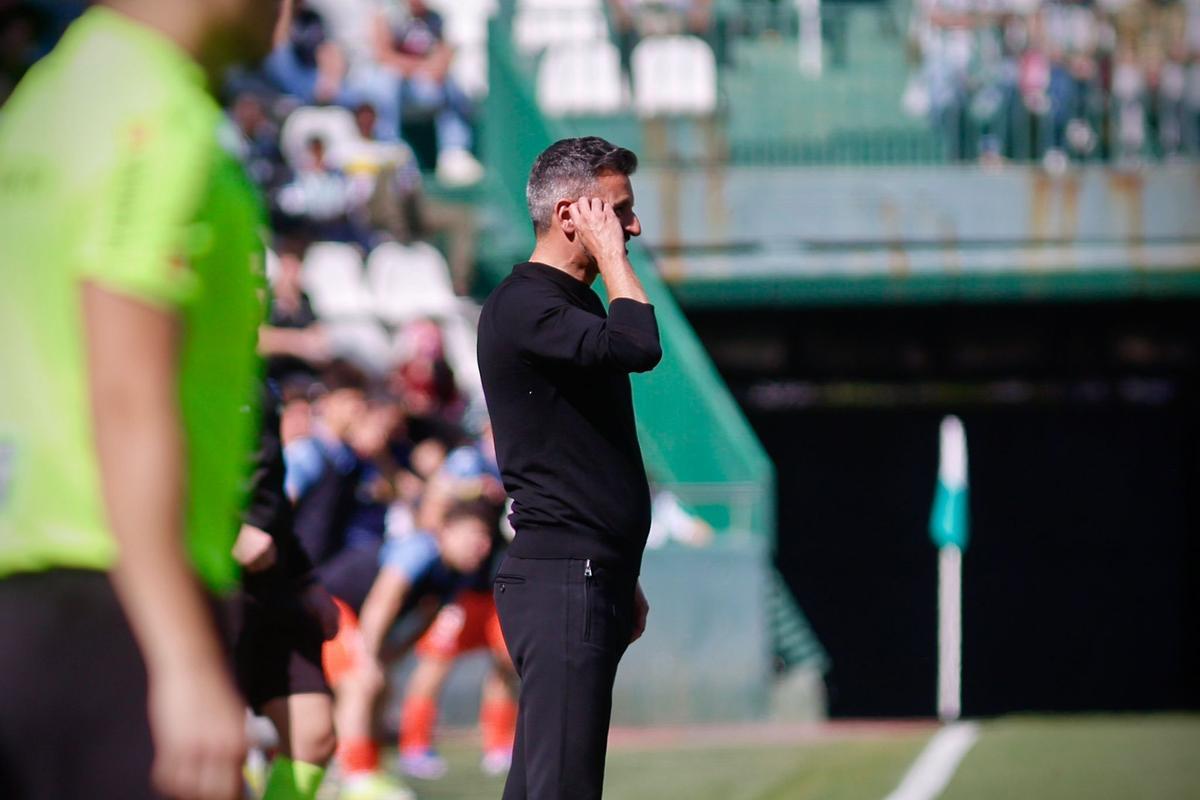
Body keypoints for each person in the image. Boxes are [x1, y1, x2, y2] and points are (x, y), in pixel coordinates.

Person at [0, 1, 285, 798]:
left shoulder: (43, 100)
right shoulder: (156, 120)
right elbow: (126, 392)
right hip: (114, 609)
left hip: (29, 598)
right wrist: (185, 660)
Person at [476, 136, 662, 799]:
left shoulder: (567, 303)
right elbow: (639, 343)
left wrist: (620, 569)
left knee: (539, 789)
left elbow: (588, 448)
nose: (632, 227)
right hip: (562, 577)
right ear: (569, 216)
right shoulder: (527, 304)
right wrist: (612, 257)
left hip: (584, 573)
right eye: (618, 211)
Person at [322, 499, 498, 800]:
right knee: (361, 682)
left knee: (382, 687)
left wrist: (391, 654)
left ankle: (367, 769)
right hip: (328, 604)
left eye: (486, 539)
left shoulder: (454, 574)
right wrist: (368, 656)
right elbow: (383, 598)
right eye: (474, 534)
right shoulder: (422, 548)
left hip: (354, 615)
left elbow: (427, 619)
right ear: (447, 530)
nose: (481, 546)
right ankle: (356, 775)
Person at [232, 382, 340, 800]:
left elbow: (271, 496)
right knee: (216, 746)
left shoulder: (258, 379)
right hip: (205, 579)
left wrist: (306, 579)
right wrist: (225, 534)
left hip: (273, 579)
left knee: (315, 736)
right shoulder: (173, 357)